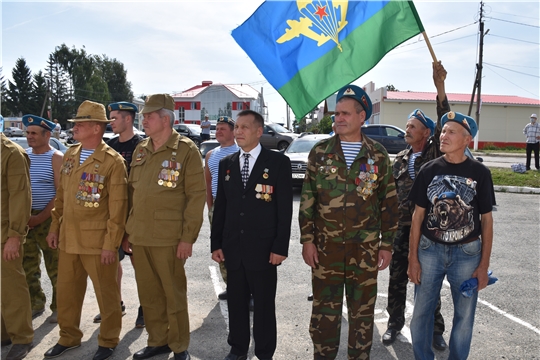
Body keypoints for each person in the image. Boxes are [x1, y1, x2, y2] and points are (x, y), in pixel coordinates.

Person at [299, 84, 399, 359]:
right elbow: (308, 200)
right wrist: (307, 240)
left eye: (345, 113)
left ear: (361, 116)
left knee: (362, 315)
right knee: (324, 312)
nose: (338, 118)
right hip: (326, 249)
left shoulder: (378, 155)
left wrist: (386, 245)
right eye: (336, 114)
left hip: (364, 250)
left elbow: (389, 203)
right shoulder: (320, 152)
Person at [44, 100, 128, 360]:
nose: (75, 128)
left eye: (80, 124)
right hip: (69, 238)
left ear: (96, 128)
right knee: (67, 294)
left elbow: (118, 208)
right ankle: (68, 337)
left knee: (107, 295)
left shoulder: (112, 161)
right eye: (75, 124)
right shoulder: (70, 154)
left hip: (97, 242)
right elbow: (62, 196)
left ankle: (108, 340)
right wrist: (54, 227)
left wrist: (110, 244)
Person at [125, 94, 205, 360]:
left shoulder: (186, 150)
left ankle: (179, 344)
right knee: (148, 293)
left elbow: (196, 197)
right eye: (143, 115)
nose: (143, 119)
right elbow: (131, 194)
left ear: (166, 119)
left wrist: (187, 238)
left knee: (173, 294)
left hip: (169, 238)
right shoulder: (141, 149)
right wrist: (127, 232)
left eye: (149, 116)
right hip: (140, 235)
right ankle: (157, 340)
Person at [408, 111, 494, 360]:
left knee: (464, 317)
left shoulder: (480, 173)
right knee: (421, 314)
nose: (444, 135)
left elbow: (487, 220)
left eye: (451, 131)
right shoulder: (428, 170)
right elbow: (418, 218)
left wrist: (483, 264)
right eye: (443, 131)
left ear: (467, 139)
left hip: (467, 254)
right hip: (430, 250)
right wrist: (413, 259)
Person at [211, 110, 293, 360]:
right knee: (236, 302)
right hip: (233, 248)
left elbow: (284, 209)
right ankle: (237, 349)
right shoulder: (227, 164)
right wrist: (216, 244)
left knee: (264, 305)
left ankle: (265, 351)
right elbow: (221, 208)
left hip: (264, 250)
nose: (238, 132)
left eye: (244, 127)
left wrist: (280, 247)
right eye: (236, 127)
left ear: (259, 131)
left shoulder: (278, 163)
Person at [383, 61, 449, 350]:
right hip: (401, 230)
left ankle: (435, 329)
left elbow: (446, 120)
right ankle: (394, 323)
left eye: (413, 126)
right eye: (407, 125)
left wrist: (440, 87)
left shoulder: (436, 154)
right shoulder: (399, 159)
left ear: (427, 133)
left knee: (429, 282)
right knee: (396, 279)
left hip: (429, 231)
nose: (407, 130)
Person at [92, 101, 145, 328]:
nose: (110, 122)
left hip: (134, 211)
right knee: (111, 262)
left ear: (128, 119)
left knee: (139, 264)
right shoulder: (109, 145)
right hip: (112, 211)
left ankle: (146, 307)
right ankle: (115, 304)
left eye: (114, 118)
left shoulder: (141, 146)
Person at [21, 115, 63, 324]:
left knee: (55, 266)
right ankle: (35, 302)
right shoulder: (23, 156)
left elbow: (59, 194)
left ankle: (59, 308)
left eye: (34, 133)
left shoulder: (56, 158)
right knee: (28, 264)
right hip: (26, 218)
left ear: (47, 135)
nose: (29, 137)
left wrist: (40, 217)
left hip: (48, 219)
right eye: (28, 133)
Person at [1, 132, 34, 360]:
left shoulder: (12, 153)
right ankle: (4, 333)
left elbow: (21, 197)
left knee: (12, 287)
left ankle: (22, 338)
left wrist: (15, 236)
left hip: (5, 234)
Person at [204, 116, 239, 301]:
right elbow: (208, 184)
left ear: (233, 131)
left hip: (236, 205)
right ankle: (230, 284)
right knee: (220, 246)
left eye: (222, 128)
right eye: (216, 128)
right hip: (218, 205)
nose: (218, 131)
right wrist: (211, 207)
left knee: (239, 246)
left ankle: (245, 288)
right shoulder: (211, 155)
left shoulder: (240, 151)